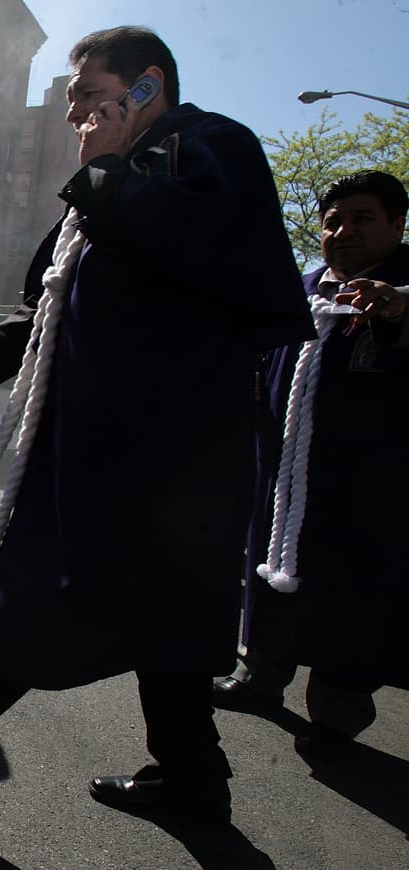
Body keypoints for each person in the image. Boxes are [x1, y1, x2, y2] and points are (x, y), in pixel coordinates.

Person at [0, 26, 314, 824]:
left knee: (34, 598)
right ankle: (192, 780)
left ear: (144, 85)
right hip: (121, 447)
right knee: (169, 618)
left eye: (85, 88)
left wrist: (106, 167)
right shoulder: (114, 180)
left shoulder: (211, 148)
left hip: (158, 449)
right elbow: (52, 297)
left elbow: (191, 247)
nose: (73, 106)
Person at [213, 169, 409, 759]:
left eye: (363, 219)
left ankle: (336, 714)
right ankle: (261, 675)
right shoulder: (300, 289)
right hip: (280, 473)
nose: (343, 231)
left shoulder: (402, 286)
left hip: (370, 484)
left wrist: (399, 310)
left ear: (398, 225)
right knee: (271, 570)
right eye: (333, 222)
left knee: (354, 596)